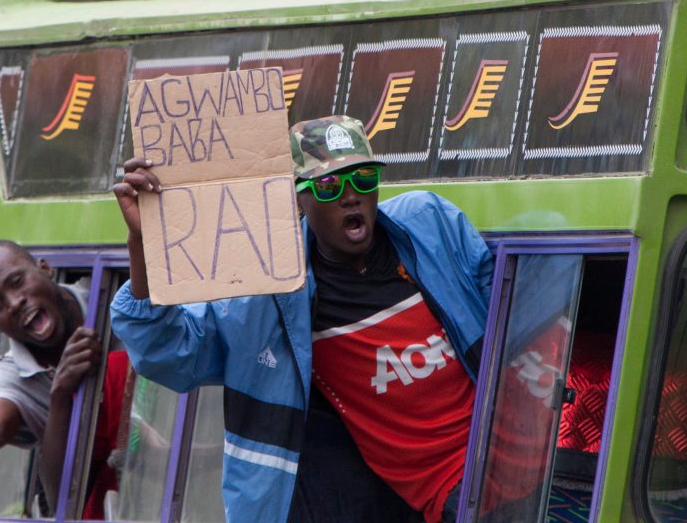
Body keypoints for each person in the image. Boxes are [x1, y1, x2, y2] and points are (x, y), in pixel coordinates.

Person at [110, 115, 493, 522]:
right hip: (438, 498)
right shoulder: (266, 300)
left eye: (362, 178)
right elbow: (168, 353)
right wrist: (143, 243)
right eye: (328, 185)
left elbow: (511, 318)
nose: (351, 196)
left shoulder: (431, 224)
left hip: (517, 458)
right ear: (296, 201)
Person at [0, 240, 127, 519]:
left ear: (45, 268)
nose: (15, 302)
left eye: (17, 281)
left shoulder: (116, 293)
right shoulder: (11, 377)